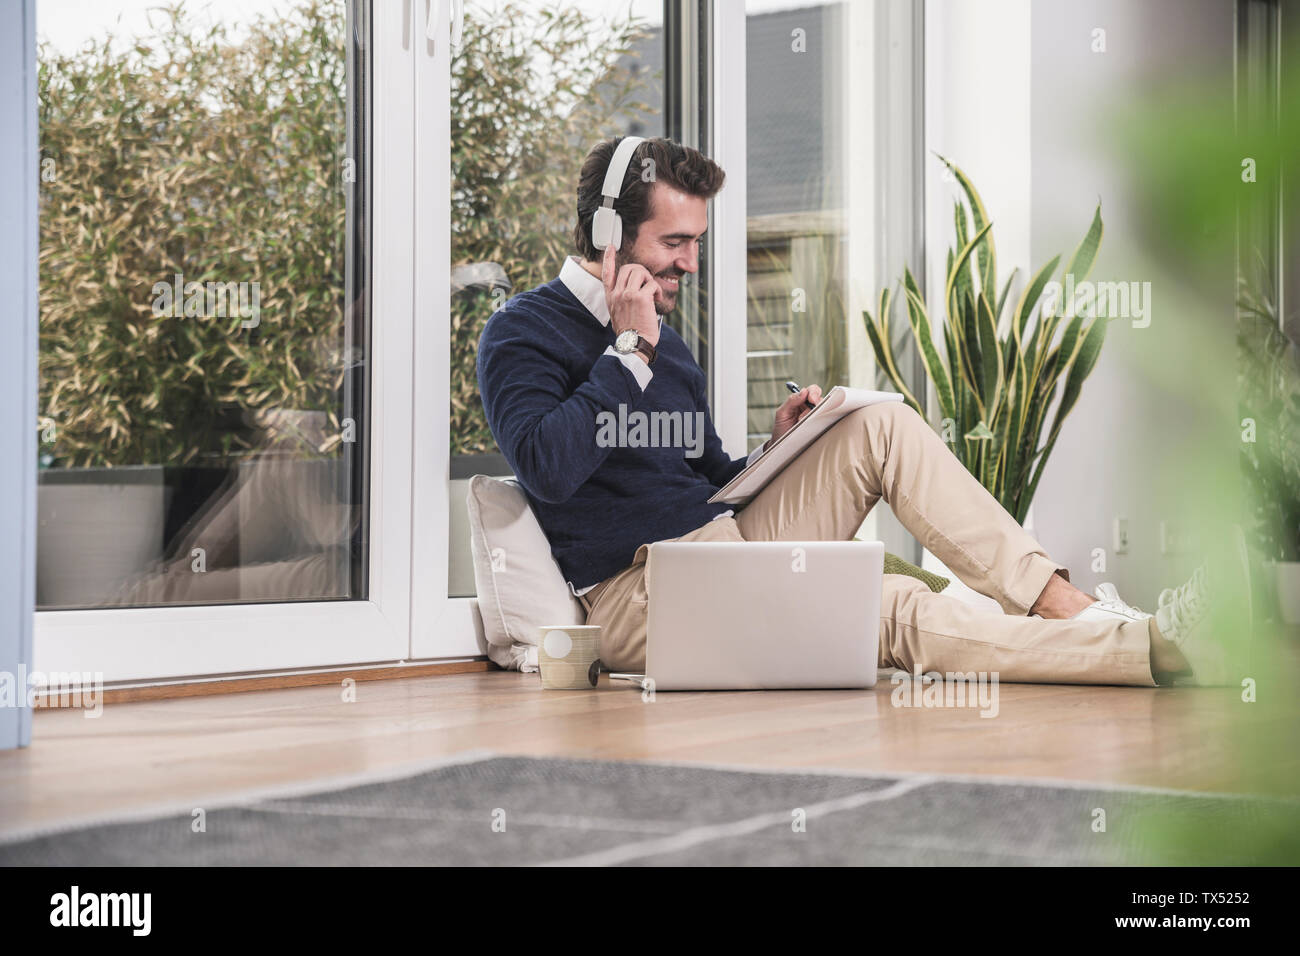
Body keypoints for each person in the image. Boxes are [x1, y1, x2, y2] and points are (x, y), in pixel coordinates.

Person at [476, 136, 1250, 688]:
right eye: (674, 242)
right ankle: (1144, 648)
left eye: (698, 242)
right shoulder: (522, 332)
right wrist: (628, 354)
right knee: (884, 602)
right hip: (640, 595)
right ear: (608, 235)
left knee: (876, 424)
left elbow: (706, 478)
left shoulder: (664, 342)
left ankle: (1068, 606)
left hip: (721, 541)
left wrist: (773, 450)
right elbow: (548, 468)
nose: (691, 263)